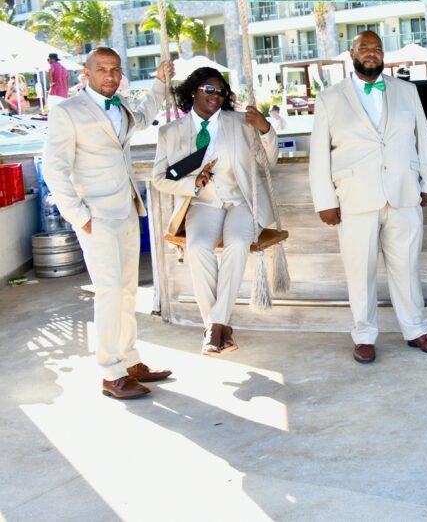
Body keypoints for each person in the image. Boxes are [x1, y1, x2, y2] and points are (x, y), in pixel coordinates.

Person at [42, 47, 174, 399]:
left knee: (128, 291)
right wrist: (79, 217)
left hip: (128, 211)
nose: (110, 76)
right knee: (109, 292)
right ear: (86, 73)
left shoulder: (122, 106)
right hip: (95, 218)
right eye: (101, 69)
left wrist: (160, 83)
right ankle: (110, 372)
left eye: (115, 69)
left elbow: (145, 117)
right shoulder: (67, 113)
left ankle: (130, 360)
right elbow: (53, 168)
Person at [309, 30, 427, 363]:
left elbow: (423, 139)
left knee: (407, 269)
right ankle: (364, 336)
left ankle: (416, 330)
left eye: (377, 48)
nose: (371, 53)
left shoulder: (407, 91)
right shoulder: (330, 97)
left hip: (403, 193)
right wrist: (325, 200)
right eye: (364, 48)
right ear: (351, 53)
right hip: (354, 197)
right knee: (360, 272)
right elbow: (319, 154)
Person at [152, 67, 277, 356]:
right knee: (196, 247)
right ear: (193, 90)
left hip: (242, 200)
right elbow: (159, 179)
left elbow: (269, 161)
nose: (216, 96)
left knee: (236, 242)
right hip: (203, 203)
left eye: (221, 91)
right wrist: (191, 183)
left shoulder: (241, 122)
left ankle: (214, 327)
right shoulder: (170, 132)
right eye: (209, 89)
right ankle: (220, 326)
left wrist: (265, 128)